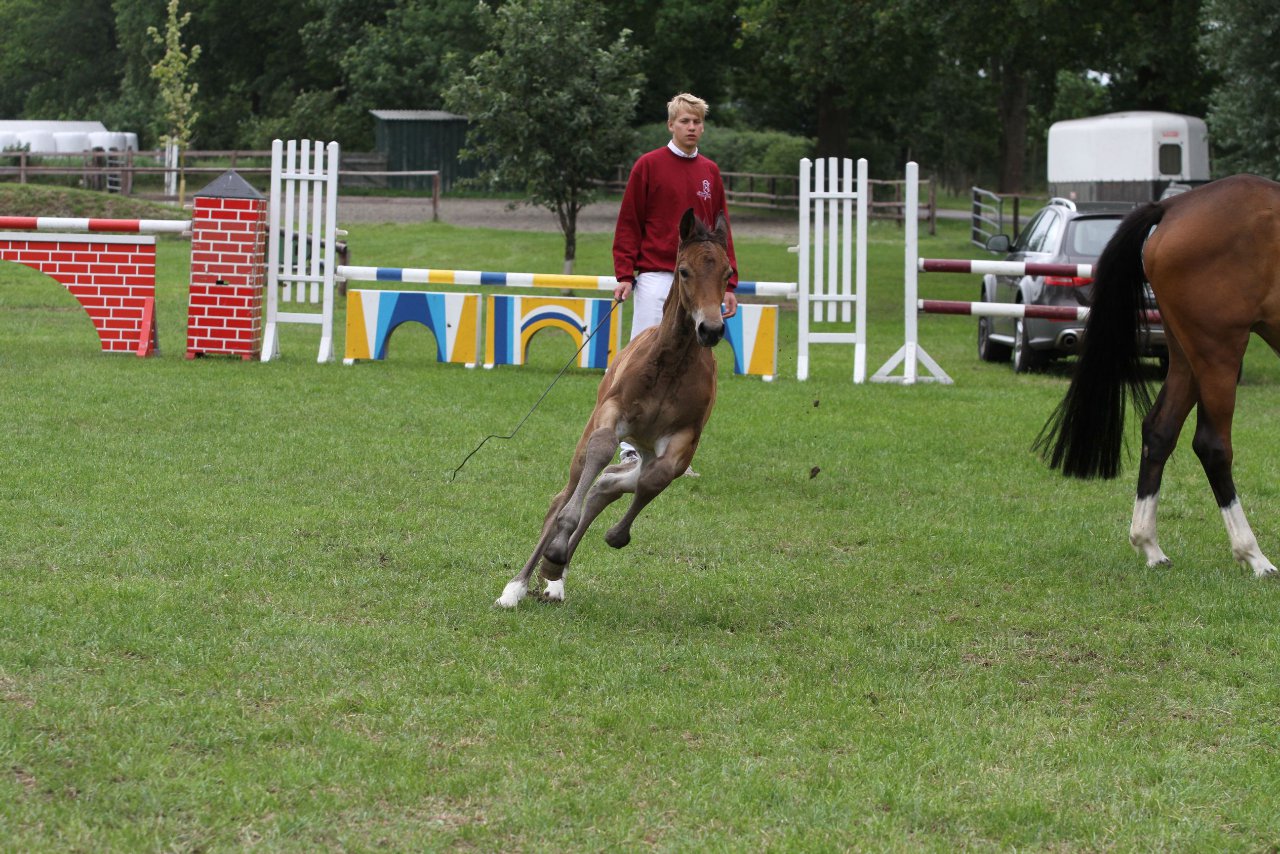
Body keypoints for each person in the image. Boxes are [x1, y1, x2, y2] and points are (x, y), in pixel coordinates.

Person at [611, 93, 739, 472]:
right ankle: (629, 448)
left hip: (701, 281)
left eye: (697, 122)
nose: (692, 128)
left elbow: (721, 230)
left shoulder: (710, 172)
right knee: (646, 359)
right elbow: (629, 221)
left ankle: (672, 448)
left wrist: (729, 284)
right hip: (655, 274)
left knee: (694, 362)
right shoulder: (648, 166)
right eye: (685, 121)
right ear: (671, 124)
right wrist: (624, 273)